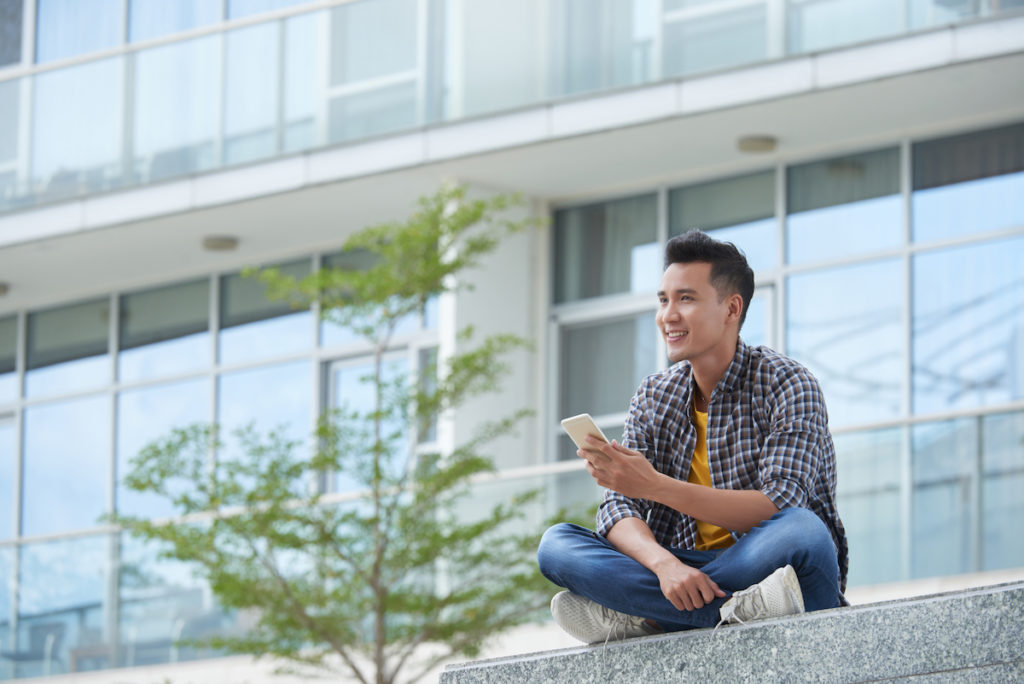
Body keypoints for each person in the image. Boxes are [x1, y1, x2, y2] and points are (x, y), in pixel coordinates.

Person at [537, 229, 848, 643]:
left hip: (773, 566)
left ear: (731, 308)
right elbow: (617, 510)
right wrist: (665, 566)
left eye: (686, 299)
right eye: (663, 300)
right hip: (682, 570)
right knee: (557, 545)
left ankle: (652, 617)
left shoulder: (786, 382)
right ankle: (737, 609)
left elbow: (779, 507)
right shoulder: (654, 396)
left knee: (804, 530)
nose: (668, 315)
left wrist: (656, 487)